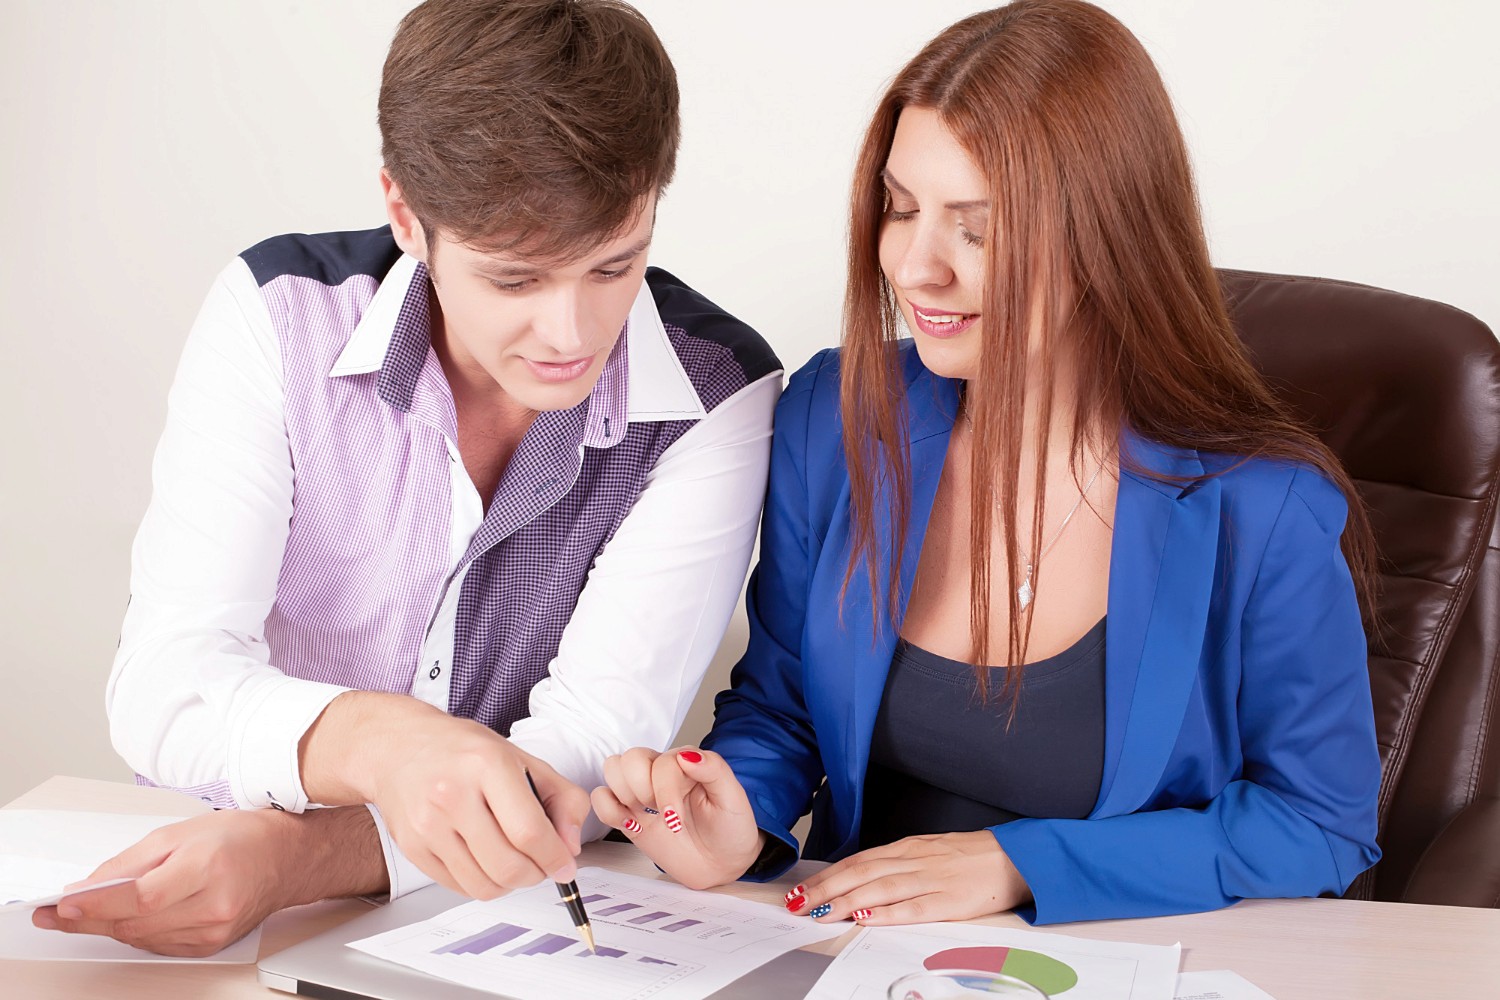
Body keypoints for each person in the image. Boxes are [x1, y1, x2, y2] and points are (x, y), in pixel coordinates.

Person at [591, 0, 1382, 926]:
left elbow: (1321, 824)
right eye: (901, 207)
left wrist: (1023, 864)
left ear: (1108, 240)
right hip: (849, 960)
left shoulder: (1262, 507)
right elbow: (784, 707)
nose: (917, 266)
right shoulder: (837, 417)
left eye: (978, 227)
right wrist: (739, 821)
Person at [34, 0, 780, 956]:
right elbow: (165, 688)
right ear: (406, 216)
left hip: (480, 926)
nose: (573, 334)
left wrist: (298, 859)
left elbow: (584, 747)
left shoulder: (716, 393)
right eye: (515, 279)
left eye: (614, 264)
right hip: (191, 887)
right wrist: (380, 743)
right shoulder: (281, 316)